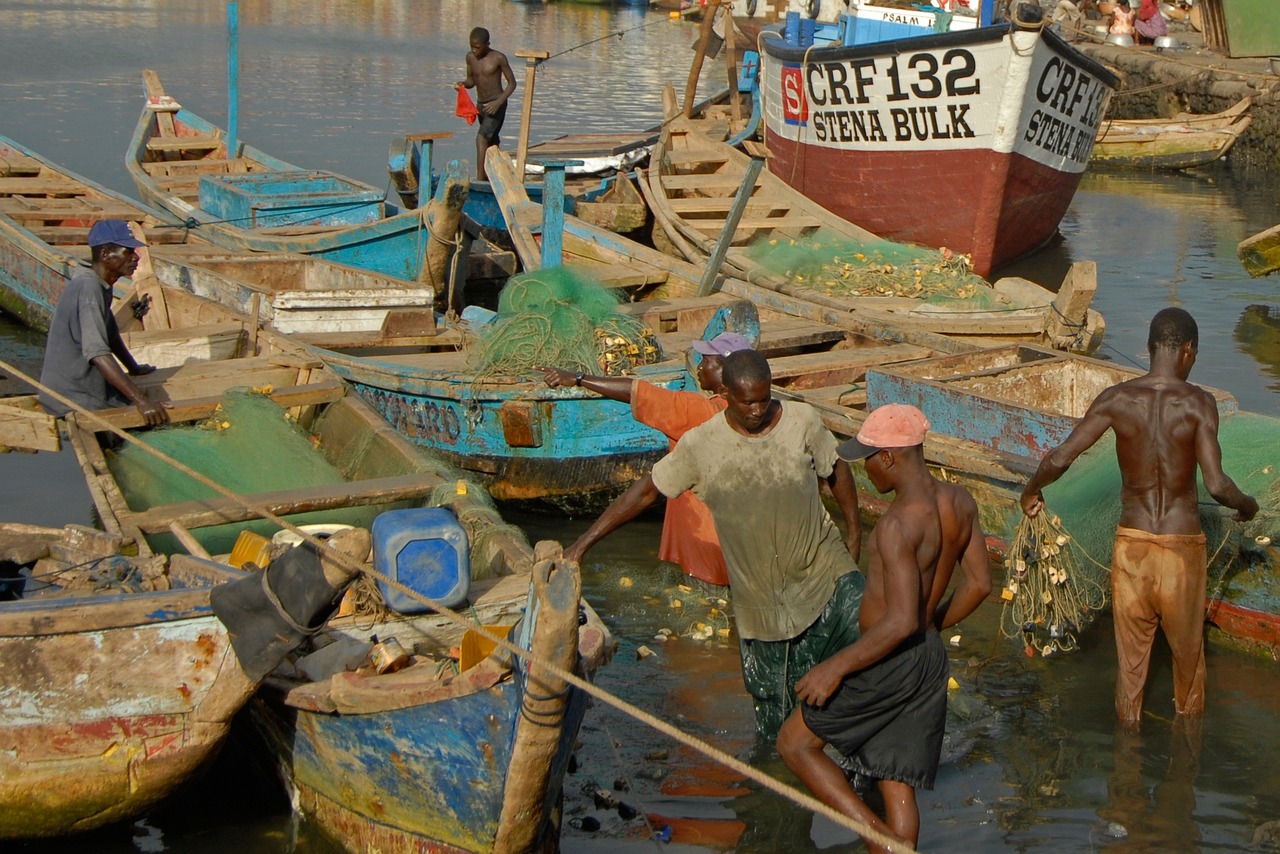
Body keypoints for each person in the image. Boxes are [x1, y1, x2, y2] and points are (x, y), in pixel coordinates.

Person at [564, 349, 863, 740]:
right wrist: (582, 545)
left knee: (864, 654)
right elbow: (645, 494)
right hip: (763, 600)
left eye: (764, 398)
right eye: (747, 402)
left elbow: (835, 466)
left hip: (825, 572)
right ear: (726, 394)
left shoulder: (801, 422)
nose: (757, 410)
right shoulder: (701, 445)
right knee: (777, 715)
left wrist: (853, 533)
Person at [1020, 307, 1257, 731]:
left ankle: (1125, 779)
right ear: (1188, 350)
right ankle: (1183, 776)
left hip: (1131, 548)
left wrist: (1030, 491)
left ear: (1149, 349)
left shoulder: (1116, 400)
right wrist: (1248, 506)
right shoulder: (1199, 403)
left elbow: (1060, 457)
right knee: (1188, 668)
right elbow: (1218, 486)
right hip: (1181, 552)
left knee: (1130, 672)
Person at [776, 404, 992, 854]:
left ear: (890, 458)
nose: (865, 468)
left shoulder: (895, 525)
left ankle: (883, 842)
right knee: (896, 783)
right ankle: (893, 843)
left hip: (887, 659)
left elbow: (896, 622)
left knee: (794, 744)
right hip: (926, 656)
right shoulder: (960, 502)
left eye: (867, 458)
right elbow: (979, 585)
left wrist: (833, 668)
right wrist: (930, 626)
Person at [540, 330, 754, 588]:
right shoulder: (754, 413)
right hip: (747, 554)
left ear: (724, 372)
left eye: (705, 361)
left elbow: (636, 392)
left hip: (709, 556)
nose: (698, 366)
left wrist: (578, 379)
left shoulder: (698, 412)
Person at [38, 220, 169, 427]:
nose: (136, 257)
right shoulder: (89, 289)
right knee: (157, 419)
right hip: (71, 396)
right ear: (106, 254)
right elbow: (97, 352)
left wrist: (133, 368)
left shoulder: (99, 282)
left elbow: (110, 334)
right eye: (128, 251)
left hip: (81, 388)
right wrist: (141, 401)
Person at [455, 27, 515, 182]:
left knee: (481, 138)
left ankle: (480, 179)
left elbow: (512, 84)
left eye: (477, 47)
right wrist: (463, 84)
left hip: (496, 105)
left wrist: (498, 103)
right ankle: (498, 175)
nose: (474, 50)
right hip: (481, 105)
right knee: (491, 140)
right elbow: (472, 80)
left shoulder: (498, 58)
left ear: (487, 44)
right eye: (471, 47)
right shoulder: (470, 58)